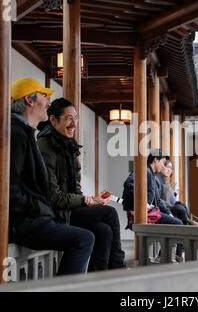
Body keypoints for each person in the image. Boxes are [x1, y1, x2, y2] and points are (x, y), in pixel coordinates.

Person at [8, 77, 95, 275]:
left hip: (35, 217)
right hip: (26, 223)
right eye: (44, 96)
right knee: (85, 239)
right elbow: (9, 188)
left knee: (98, 229)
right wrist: (40, 209)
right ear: (30, 101)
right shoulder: (16, 134)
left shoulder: (24, 132)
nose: (48, 103)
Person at [37, 98, 126, 271]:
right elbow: (54, 198)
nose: (73, 124)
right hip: (54, 213)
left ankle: (96, 283)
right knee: (110, 213)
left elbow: (75, 190)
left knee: (104, 231)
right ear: (53, 120)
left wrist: (92, 200)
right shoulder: (45, 146)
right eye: (68, 118)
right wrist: (87, 200)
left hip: (68, 210)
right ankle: (118, 269)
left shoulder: (69, 146)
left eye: (76, 118)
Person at [122, 149, 184, 262]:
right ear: (155, 160)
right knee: (178, 224)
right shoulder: (144, 171)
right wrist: (142, 202)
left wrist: (169, 213)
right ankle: (174, 256)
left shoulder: (151, 174)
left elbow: (158, 201)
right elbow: (128, 184)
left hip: (150, 213)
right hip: (142, 214)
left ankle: (165, 256)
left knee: (175, 220)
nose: (163, 165)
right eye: (163, 162)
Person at [156, 159, 198, 226]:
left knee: (183, 206)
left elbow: (169, 199)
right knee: (180, 209)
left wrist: (174, 195)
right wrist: (172, 206)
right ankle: (189, 223)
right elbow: (158, 199)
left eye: (171, 168)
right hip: (162, 209)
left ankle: (189, 222)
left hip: (168, 207)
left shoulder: (165, 182)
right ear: (162, 166)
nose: (169, 170)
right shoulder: (158, 180)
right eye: (167, 167)